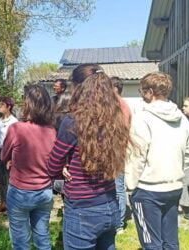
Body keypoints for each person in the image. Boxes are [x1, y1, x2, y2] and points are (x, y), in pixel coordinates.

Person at [48, 71, 130, 250]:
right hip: (110, 204)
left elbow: (52, 165)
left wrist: (61, 169)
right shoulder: (115, 121)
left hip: (82, 209)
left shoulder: (72, 122)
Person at [125, 72, 189, 249]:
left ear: (149, 92)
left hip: (148, 189)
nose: (141, 95)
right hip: (174, 187)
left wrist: (131, 186)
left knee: (151, 243)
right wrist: (176, 173)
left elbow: (137, 156)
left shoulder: (142, 118)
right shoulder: (181, 118)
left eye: (142, 91)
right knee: (170, 241)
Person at [1, 85, 56, 250]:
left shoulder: (17, 129)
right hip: (45, 191)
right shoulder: (51, 131)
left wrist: (10, 161)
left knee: (20, 243)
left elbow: (3, 156)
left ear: (27, 104)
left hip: (20, 191)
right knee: (43, 239)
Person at [111, 76, 131, 234]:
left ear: (115, 88)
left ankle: (118, 224)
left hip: (116, 152)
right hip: (117, 151)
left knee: (118, 188)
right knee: (116, 188)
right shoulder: (122, 105)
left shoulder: (119, 106)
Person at [0, 96, 18, 212]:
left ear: (9, 107)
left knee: (9, 179)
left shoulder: (14, 122)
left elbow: (16, 140)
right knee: (0, 179)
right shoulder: (0, 120)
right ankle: (3, 203)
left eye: (2, 104)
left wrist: (12, 157)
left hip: (8, 153)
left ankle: (11, 205)